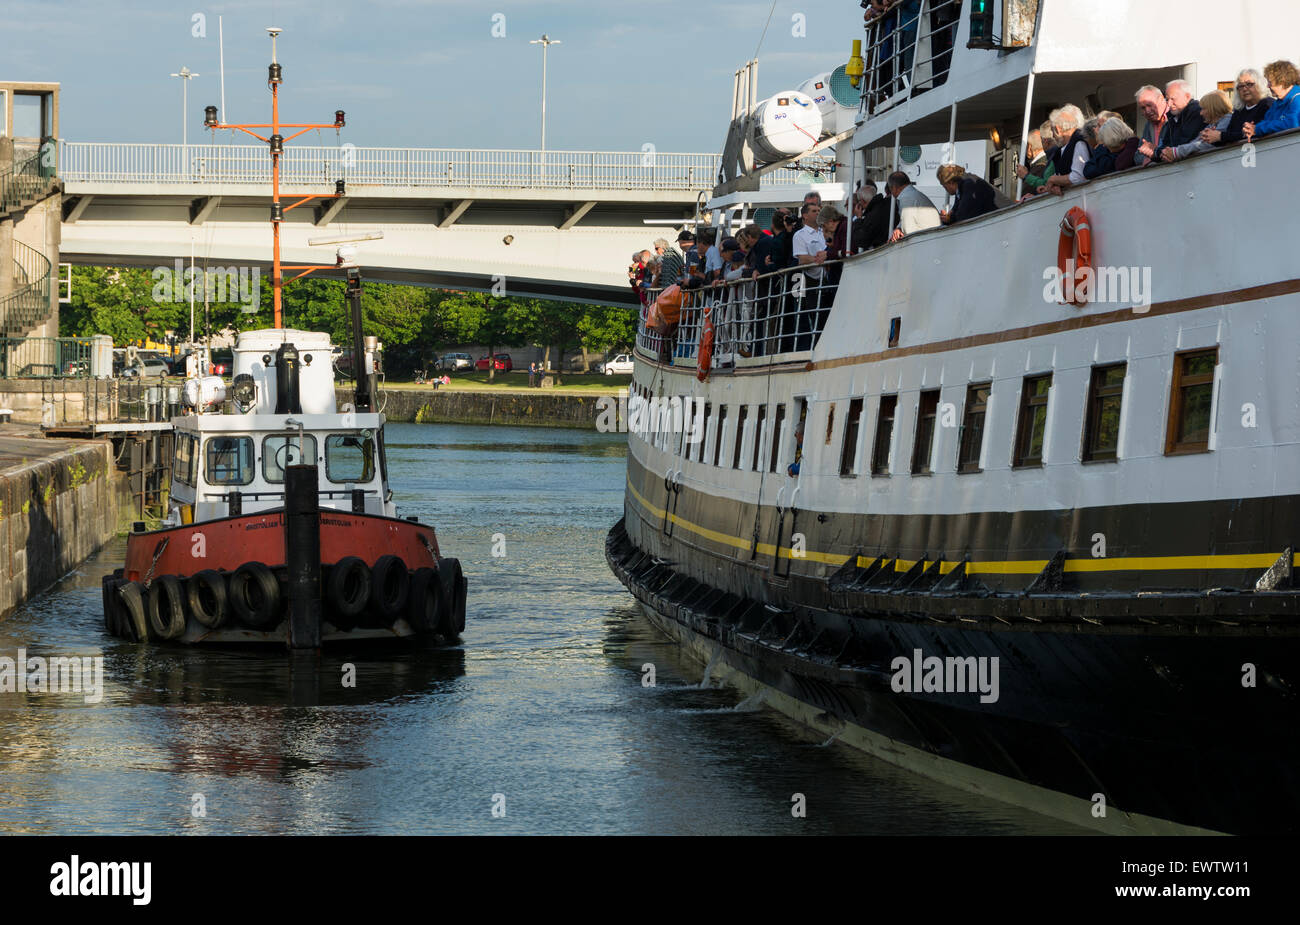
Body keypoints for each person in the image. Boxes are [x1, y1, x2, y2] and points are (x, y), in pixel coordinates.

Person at [1203, 68, 1273, 146]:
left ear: (1260, 85)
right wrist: (1212, 135)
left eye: (1249, 84)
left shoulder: (1267, 104)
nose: (1244, 89)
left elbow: (1252, 134)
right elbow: (1230, 136)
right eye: (1241, 86)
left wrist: (1220, 136)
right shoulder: (1239, 111)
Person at [1163, 91, 1232, 161]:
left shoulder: (1227, 120)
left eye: (1204, 109)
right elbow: (1196, 142)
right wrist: (1174, 151)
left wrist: (1177, 152)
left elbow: (1206, 144)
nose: (1201, 113)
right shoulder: (1212, 124)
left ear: (1213, 108)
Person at [1245, 60, 1300, 140]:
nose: (1268, 86)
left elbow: (1292, 124)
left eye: (1270, 82)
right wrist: (1251, 128)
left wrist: (1257, 129)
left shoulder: (1297, 99)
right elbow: (1266, 121)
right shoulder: (1277, 103)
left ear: (1282, 81)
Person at [1153, 80, 1205, 162]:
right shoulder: (1172, 118)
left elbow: (1185, 143)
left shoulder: (1197, 113)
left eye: (1173, 99)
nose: (1169, 104)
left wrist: (1165, 153)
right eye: (1167, 99)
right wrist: (1159, 153)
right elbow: (1166, 145)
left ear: (1187, 96)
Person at [1043, 105, 1090, 194]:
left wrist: (1053, 179)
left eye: (1052, 131)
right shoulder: (1064, 148)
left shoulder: (1079, 142)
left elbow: (1078, 177)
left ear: (1058, 129)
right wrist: (1055, 185)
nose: (1052, 136)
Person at [886, 171, 941, 242]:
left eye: (891, 190)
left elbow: (908, 231)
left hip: (927, 241)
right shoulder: (913, 194)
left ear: (894, 188)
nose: (892, 194)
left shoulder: (906, 198)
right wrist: (898, 228)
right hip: (934, 238)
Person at [850, 182, 891, 252]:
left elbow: (861, 240)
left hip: (881, 251)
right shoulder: (885, 205)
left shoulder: (872, 214)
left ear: (862, 201)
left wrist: (859, 218)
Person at [1133, 86, 1169, 166]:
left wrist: (1155, 153)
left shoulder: (1174, 118)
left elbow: (1175, 150)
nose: (1147, 111)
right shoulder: (1148, 125)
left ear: (1161, 99)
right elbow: (1137, 157)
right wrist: (1150, 158)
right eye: (1143, 108)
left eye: (1149, 105)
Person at [1016, 129, 1055, 196]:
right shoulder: (1047, 161)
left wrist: (1026, 176)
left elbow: (1028, 192)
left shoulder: (1040, 166)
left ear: (1029, 147)